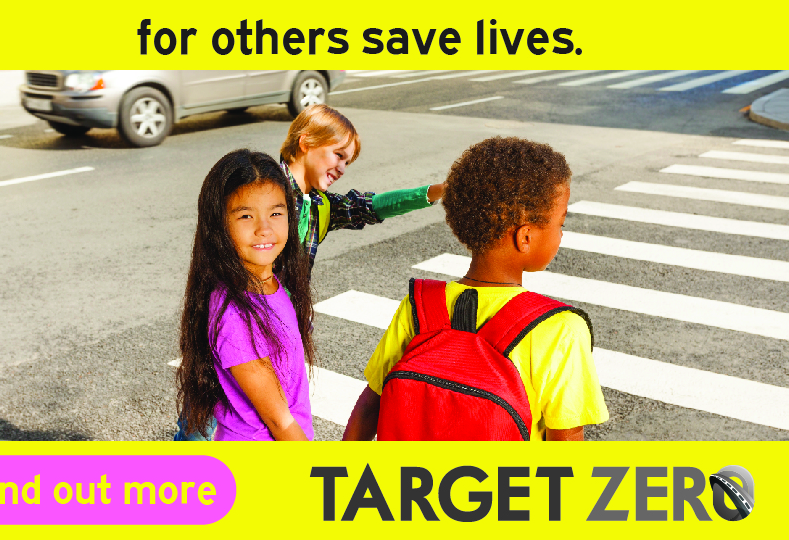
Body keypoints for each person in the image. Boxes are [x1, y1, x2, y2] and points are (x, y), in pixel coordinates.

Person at [343, 136, 609, 441]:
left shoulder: (419, 307)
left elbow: (368, 407)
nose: (561, 234)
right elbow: (567, 440)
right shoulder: (561, 329)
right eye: (560, 224)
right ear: (525, 237)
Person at [176, 149, 315, 441]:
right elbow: (279, 422)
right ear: (219, 226)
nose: (264, 229)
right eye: (246, 216)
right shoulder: (235, 315)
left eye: (275, 213)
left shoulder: (270, 282)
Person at [279, 104, 445, 268]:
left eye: (347, 162)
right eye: (339, 155)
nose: (342, 169)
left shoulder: (321, 205)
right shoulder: (268, 192)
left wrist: (441, 190)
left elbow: (370, 206)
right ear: (306, 143)